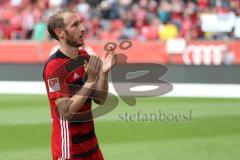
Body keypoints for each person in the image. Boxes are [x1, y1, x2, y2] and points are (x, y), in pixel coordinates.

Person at [43, 9, 116, 160]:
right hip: (69, 150)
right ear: (60, 33)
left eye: (81, 23)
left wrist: (104, 73)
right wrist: (89, 82)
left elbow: (100, 99)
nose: (82, 28)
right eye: (75, 25)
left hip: (91, 146)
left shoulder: (84, 56)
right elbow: (66, 112)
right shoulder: (54, 67)